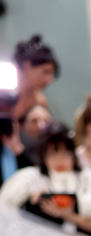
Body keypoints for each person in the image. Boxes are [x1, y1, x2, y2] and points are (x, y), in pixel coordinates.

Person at [0, 122, 91, 235]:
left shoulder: (89, 178)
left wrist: (75, 210)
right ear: (44, 155)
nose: (59, 160)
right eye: (53, 153)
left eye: (65, 154)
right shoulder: (30, 177)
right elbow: (5, 208)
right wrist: (30, 205)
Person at [0, 33, 59, 184]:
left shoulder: (40, 100)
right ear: (26, 66)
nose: (49, 79)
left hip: (28, 160)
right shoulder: (5, 95)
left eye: (52, 74)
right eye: (45, 72)